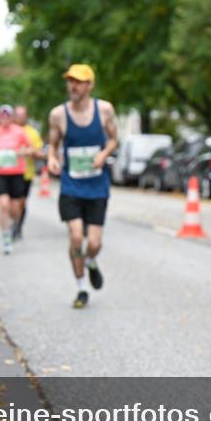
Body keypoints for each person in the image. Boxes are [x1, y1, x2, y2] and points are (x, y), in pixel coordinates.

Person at [46, 64, 118, 309]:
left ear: (89, 85)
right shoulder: (58, 114)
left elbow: (114, 139)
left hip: (97, 186)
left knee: (94, 243)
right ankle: (81, 288)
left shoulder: (104, 110)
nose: (73, 86)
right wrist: (52, 159)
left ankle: (91, 262)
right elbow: (53, 145)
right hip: (72, 186)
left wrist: (104, 154)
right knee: (76, 237)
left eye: (78, 81)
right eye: (70, 81)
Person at [0, 104, 32, 255]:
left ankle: (12, 223)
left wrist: (23, 152)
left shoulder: (20, 131)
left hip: (16, 173)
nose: (5, 119)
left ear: (12, 118)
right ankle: (6, 237)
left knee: (16, 209)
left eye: (7, 116)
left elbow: (31, 148)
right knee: (3, 204)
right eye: (2, 116)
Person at [12, 105, 46, 240]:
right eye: (18, 115)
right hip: (9, 172)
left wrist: (31, 152)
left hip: (26, 173)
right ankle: (12, 221)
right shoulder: (8, 130)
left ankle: (18, 225)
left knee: (21, 202)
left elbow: (40, 152)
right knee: (9, 202)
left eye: (23, 115)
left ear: (26, 116)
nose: (20, 117)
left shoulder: (32, 133)